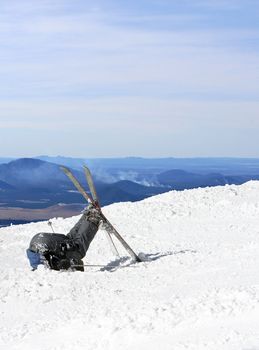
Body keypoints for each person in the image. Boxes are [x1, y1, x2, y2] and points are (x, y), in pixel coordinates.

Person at [26, 204, 102, 271]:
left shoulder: (44, 270)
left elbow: (51, 263)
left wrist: (63, 264)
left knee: (78, 248)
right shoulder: (36, 267)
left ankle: (94, 217)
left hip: (43, 246)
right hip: (37, 240)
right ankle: (87, 214)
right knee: (69, 239)